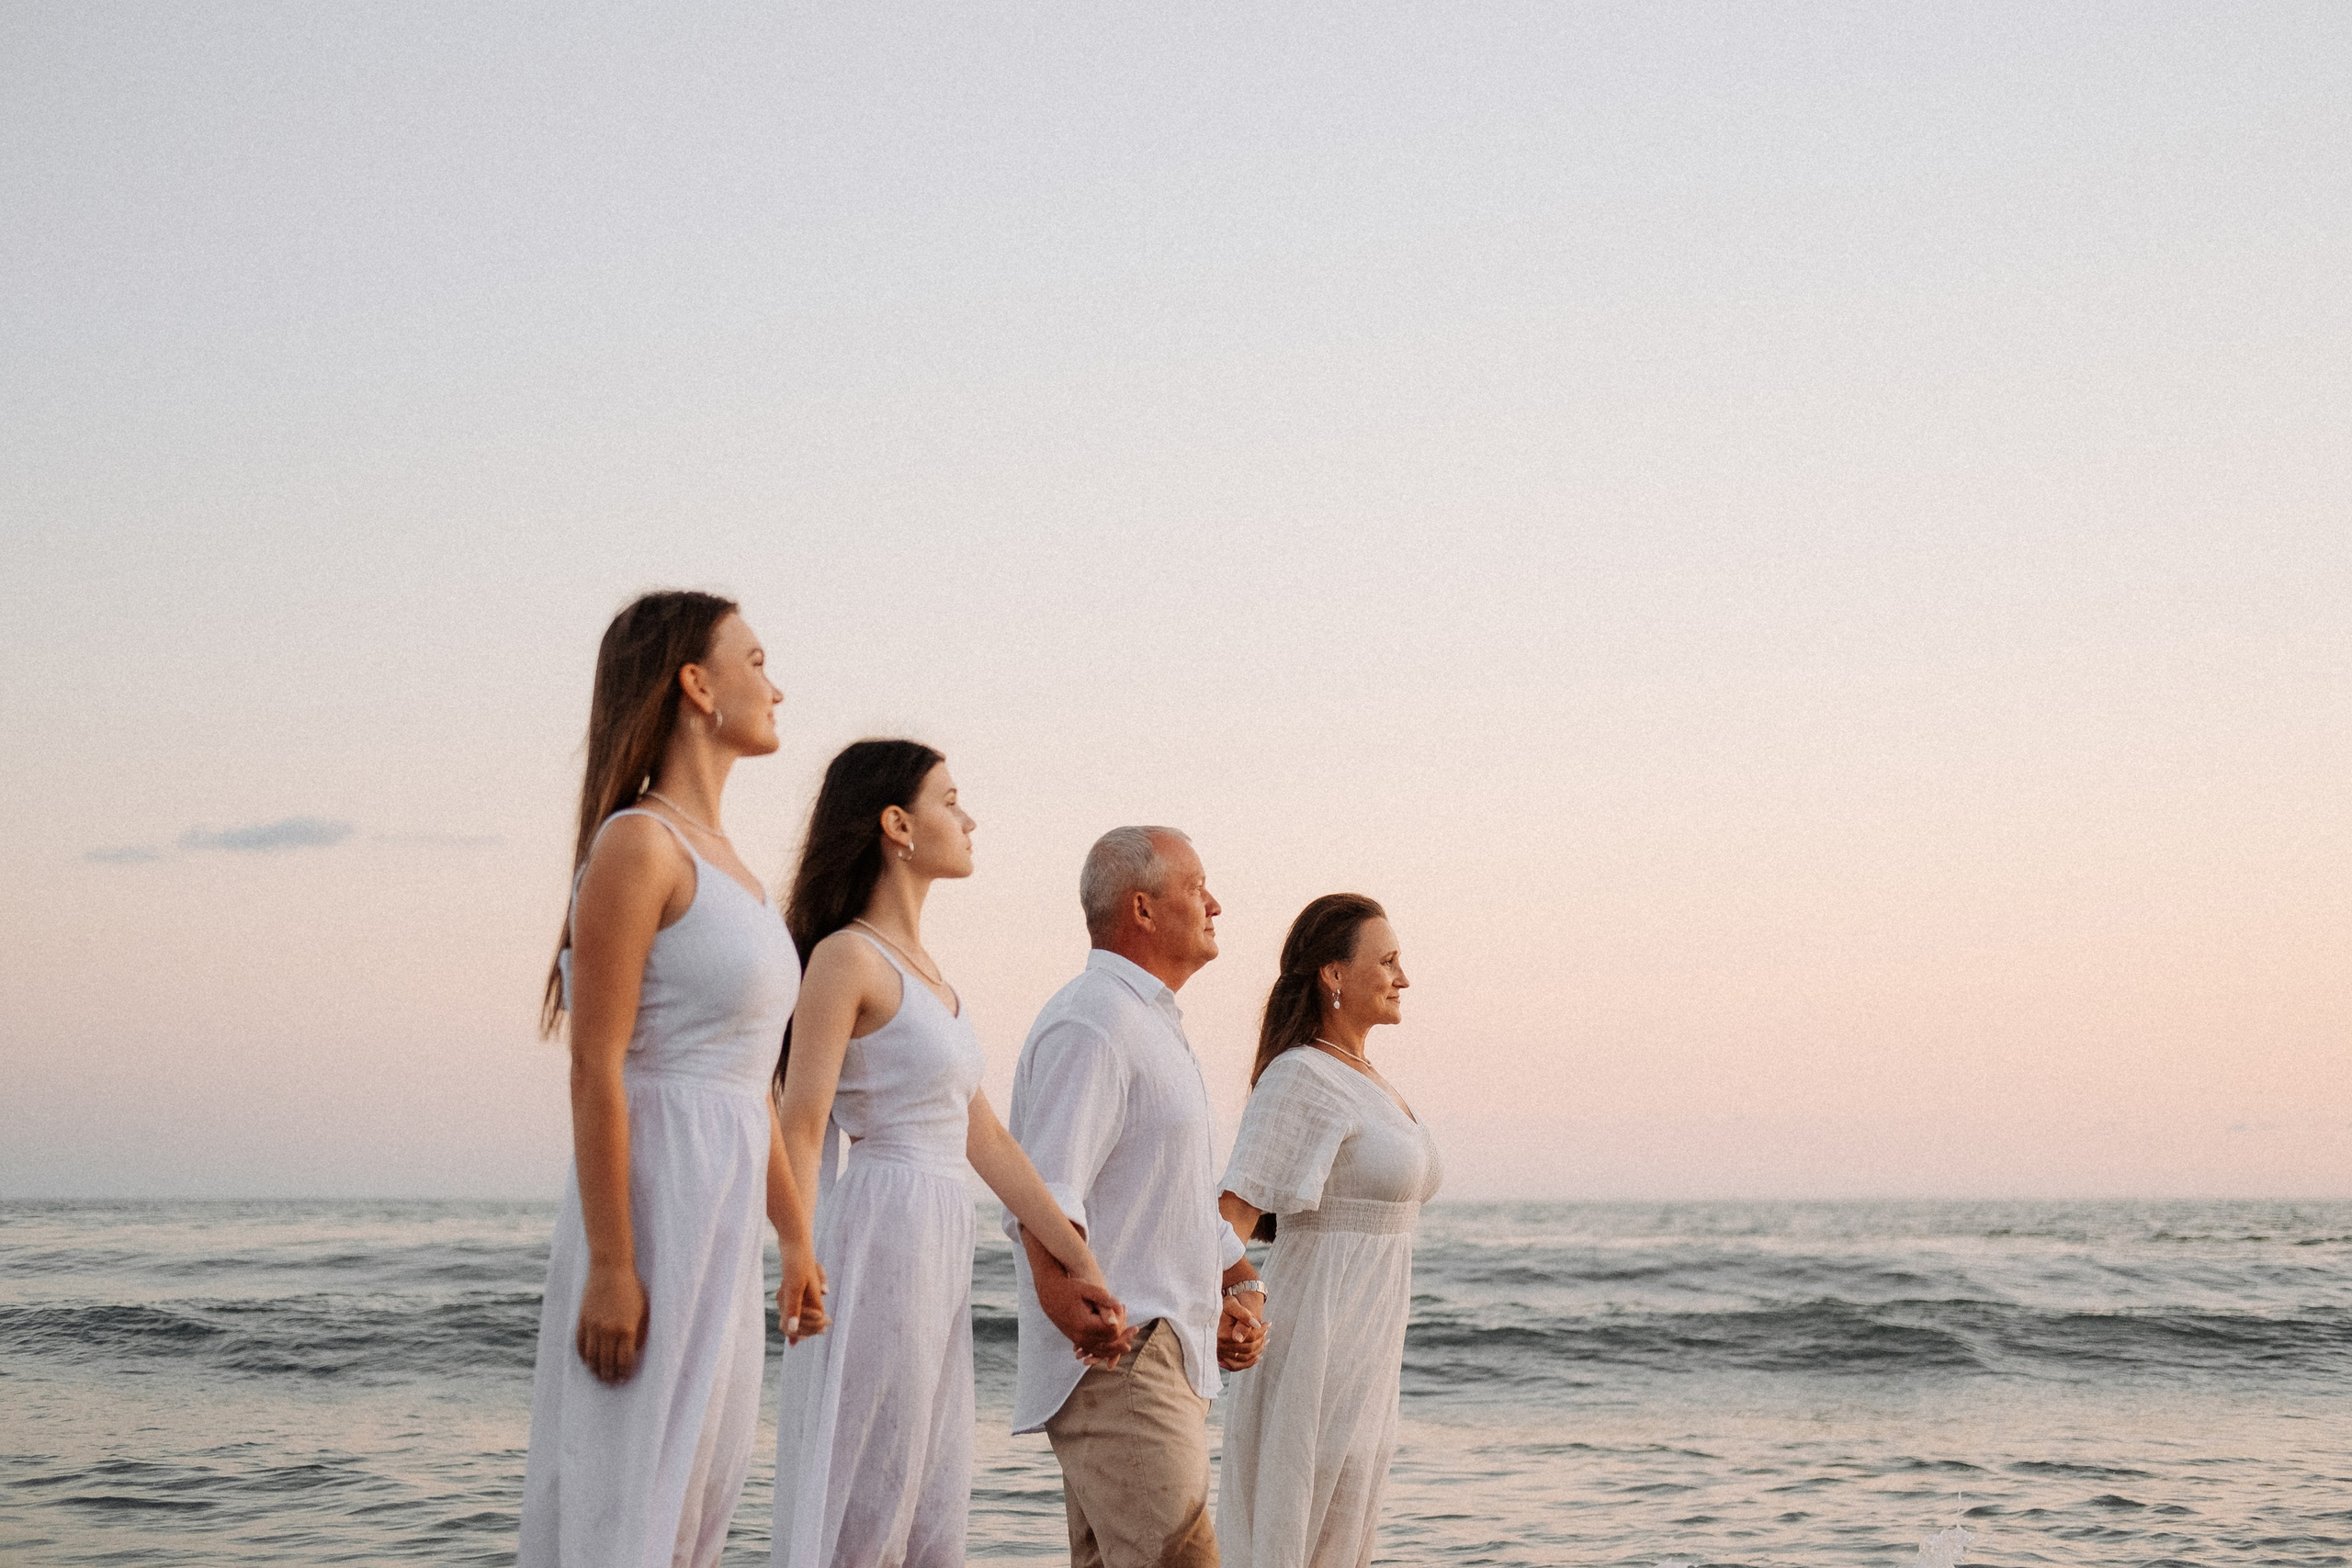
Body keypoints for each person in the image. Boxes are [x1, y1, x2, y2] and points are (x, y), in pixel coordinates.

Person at [770, 740, 1130, 1568]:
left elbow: (992, 1142)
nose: (969, 819)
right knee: (867, 1465)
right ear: (898, 824)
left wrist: (1081, 1260)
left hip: (939, 1236)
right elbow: (799, 1120)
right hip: (881, 1224)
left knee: (926, 1469)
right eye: (951, 799)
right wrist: (796, 1250)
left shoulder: (937, 982)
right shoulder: (845, 957)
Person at [520, 591, 813, 1568]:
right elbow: (595, 1069)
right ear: (697, 685)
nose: (776, 686)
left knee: (697, 1498)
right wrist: (612, 1264)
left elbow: (750, 1086)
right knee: (626, 1494)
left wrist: (797, 1237)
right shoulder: (639, 845)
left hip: (724, 1216)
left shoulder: (741, 877)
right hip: (655, 1202)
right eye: (757, 660)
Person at [1005, 826, 1270, 1568]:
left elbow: (1178, 1202)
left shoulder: (1150, 1023)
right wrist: (1072, 1307)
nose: (1215, 902)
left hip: (1159, 1353)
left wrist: (1239, 1286)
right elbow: (1045, 1191)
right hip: (1125, 1353)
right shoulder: (1096, 1019)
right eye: (1197, 886)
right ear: (1144, 909)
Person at [1214, 895, 1443, 1568]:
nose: (1403, 977)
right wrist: (1243, 1298)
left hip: (1372, 1343)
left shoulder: (1369, 1078)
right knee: (1298, 1539)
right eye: (1390, 961)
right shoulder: (1299, 1075)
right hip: (1316, 1338)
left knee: (1344, 1543)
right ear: (1333, 974)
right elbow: (1231, 1215)